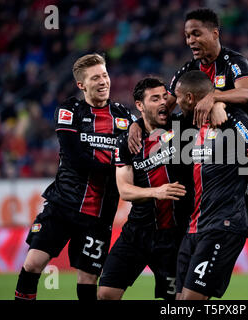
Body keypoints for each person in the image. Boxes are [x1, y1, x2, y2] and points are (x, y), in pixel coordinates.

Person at [14, 53, 134, 301]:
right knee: (33, 263)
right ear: (81, 85)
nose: (103, 82)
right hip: (63, 205)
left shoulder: (125, 118)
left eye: (105, 75)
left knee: (88, 279)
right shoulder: (70, 111)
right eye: (95, 78)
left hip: (99, 214)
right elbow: (75, 158)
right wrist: (119, 169)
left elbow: (138, 153)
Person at [173, 70, 248, 300]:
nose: (175, 101)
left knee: (191, 301)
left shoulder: (236, 121)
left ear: (191, 98)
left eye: (178, 96)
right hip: (194, 228)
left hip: (223, 225)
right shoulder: (187, 125)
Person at [97, 78, 194, 300]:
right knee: (105, 294)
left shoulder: (182, 128)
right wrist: (156, 192)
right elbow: (125, 190)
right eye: (155, 98)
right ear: (140, 105)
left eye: (164, 97)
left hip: (175, 235)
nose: (163, 102)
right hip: (138, 232)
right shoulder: (127, 142)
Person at [128, 7, 248, 153]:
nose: (190, 41)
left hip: (245, 143)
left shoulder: (233, 61)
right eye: (187, 36)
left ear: (214, 34)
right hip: (209, 149)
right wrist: (137, 124)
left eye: (196, 34)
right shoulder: (188, 70)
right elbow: (164, 107)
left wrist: (213, 98)